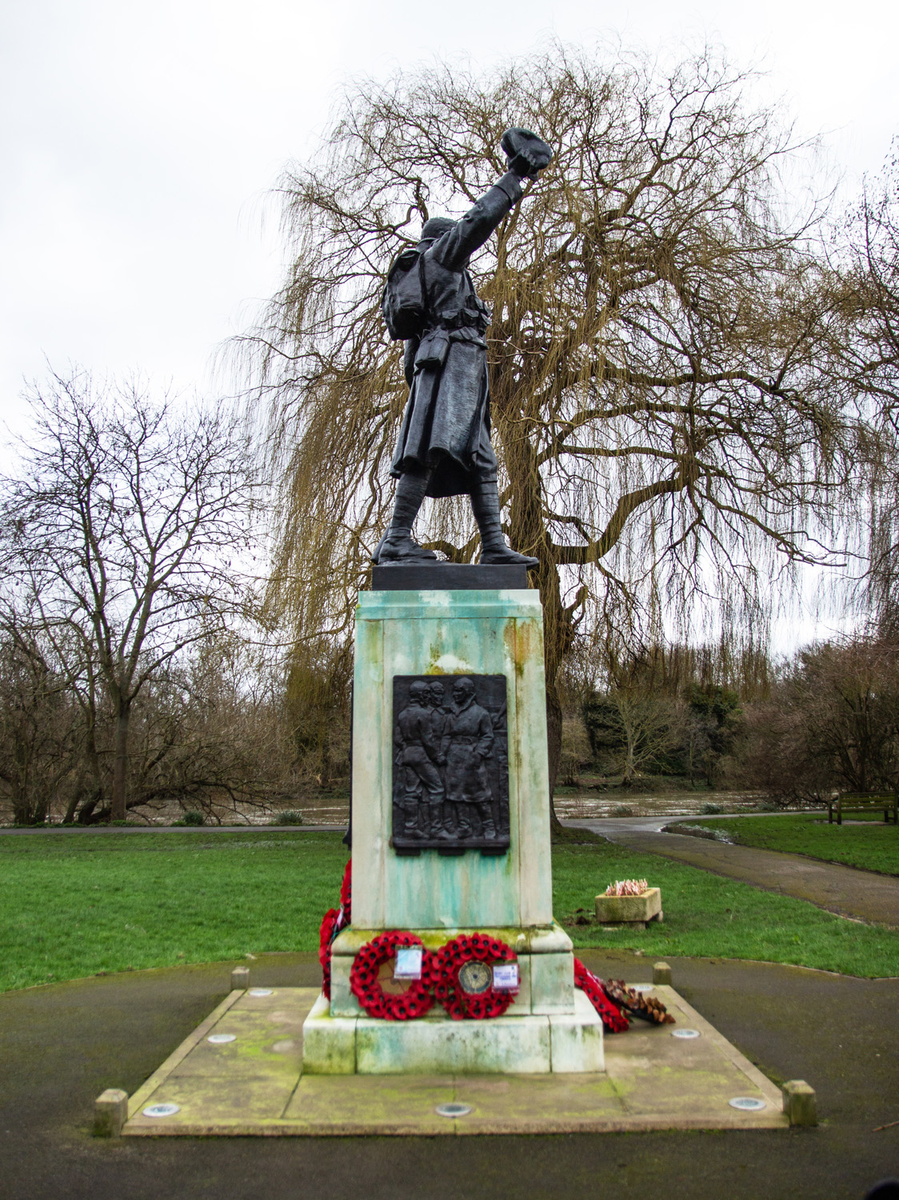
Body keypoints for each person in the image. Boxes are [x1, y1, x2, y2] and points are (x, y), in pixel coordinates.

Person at [374, 130, 552, 567]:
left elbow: (409, 353)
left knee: (479, 457)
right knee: (430, 449)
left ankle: (492, 544)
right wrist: (515, 176)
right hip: (451, 363)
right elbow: (477, 222)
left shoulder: (438, 273)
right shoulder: (439, 259)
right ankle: (397, 538)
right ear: (443, 241)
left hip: (458, 367)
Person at [442, 677, 496, 840]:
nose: (455, 694)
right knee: (457, 794)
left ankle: (489, 826)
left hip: (472, 757)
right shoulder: (451, 714)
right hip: (454, 758)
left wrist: (479, 753)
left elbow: (488, 736)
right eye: (454, 690)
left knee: (480, 794)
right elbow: (446, 735)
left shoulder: (481, 713)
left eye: (459, 690)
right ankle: (464, 827)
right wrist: (442, 753)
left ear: (468, 693)